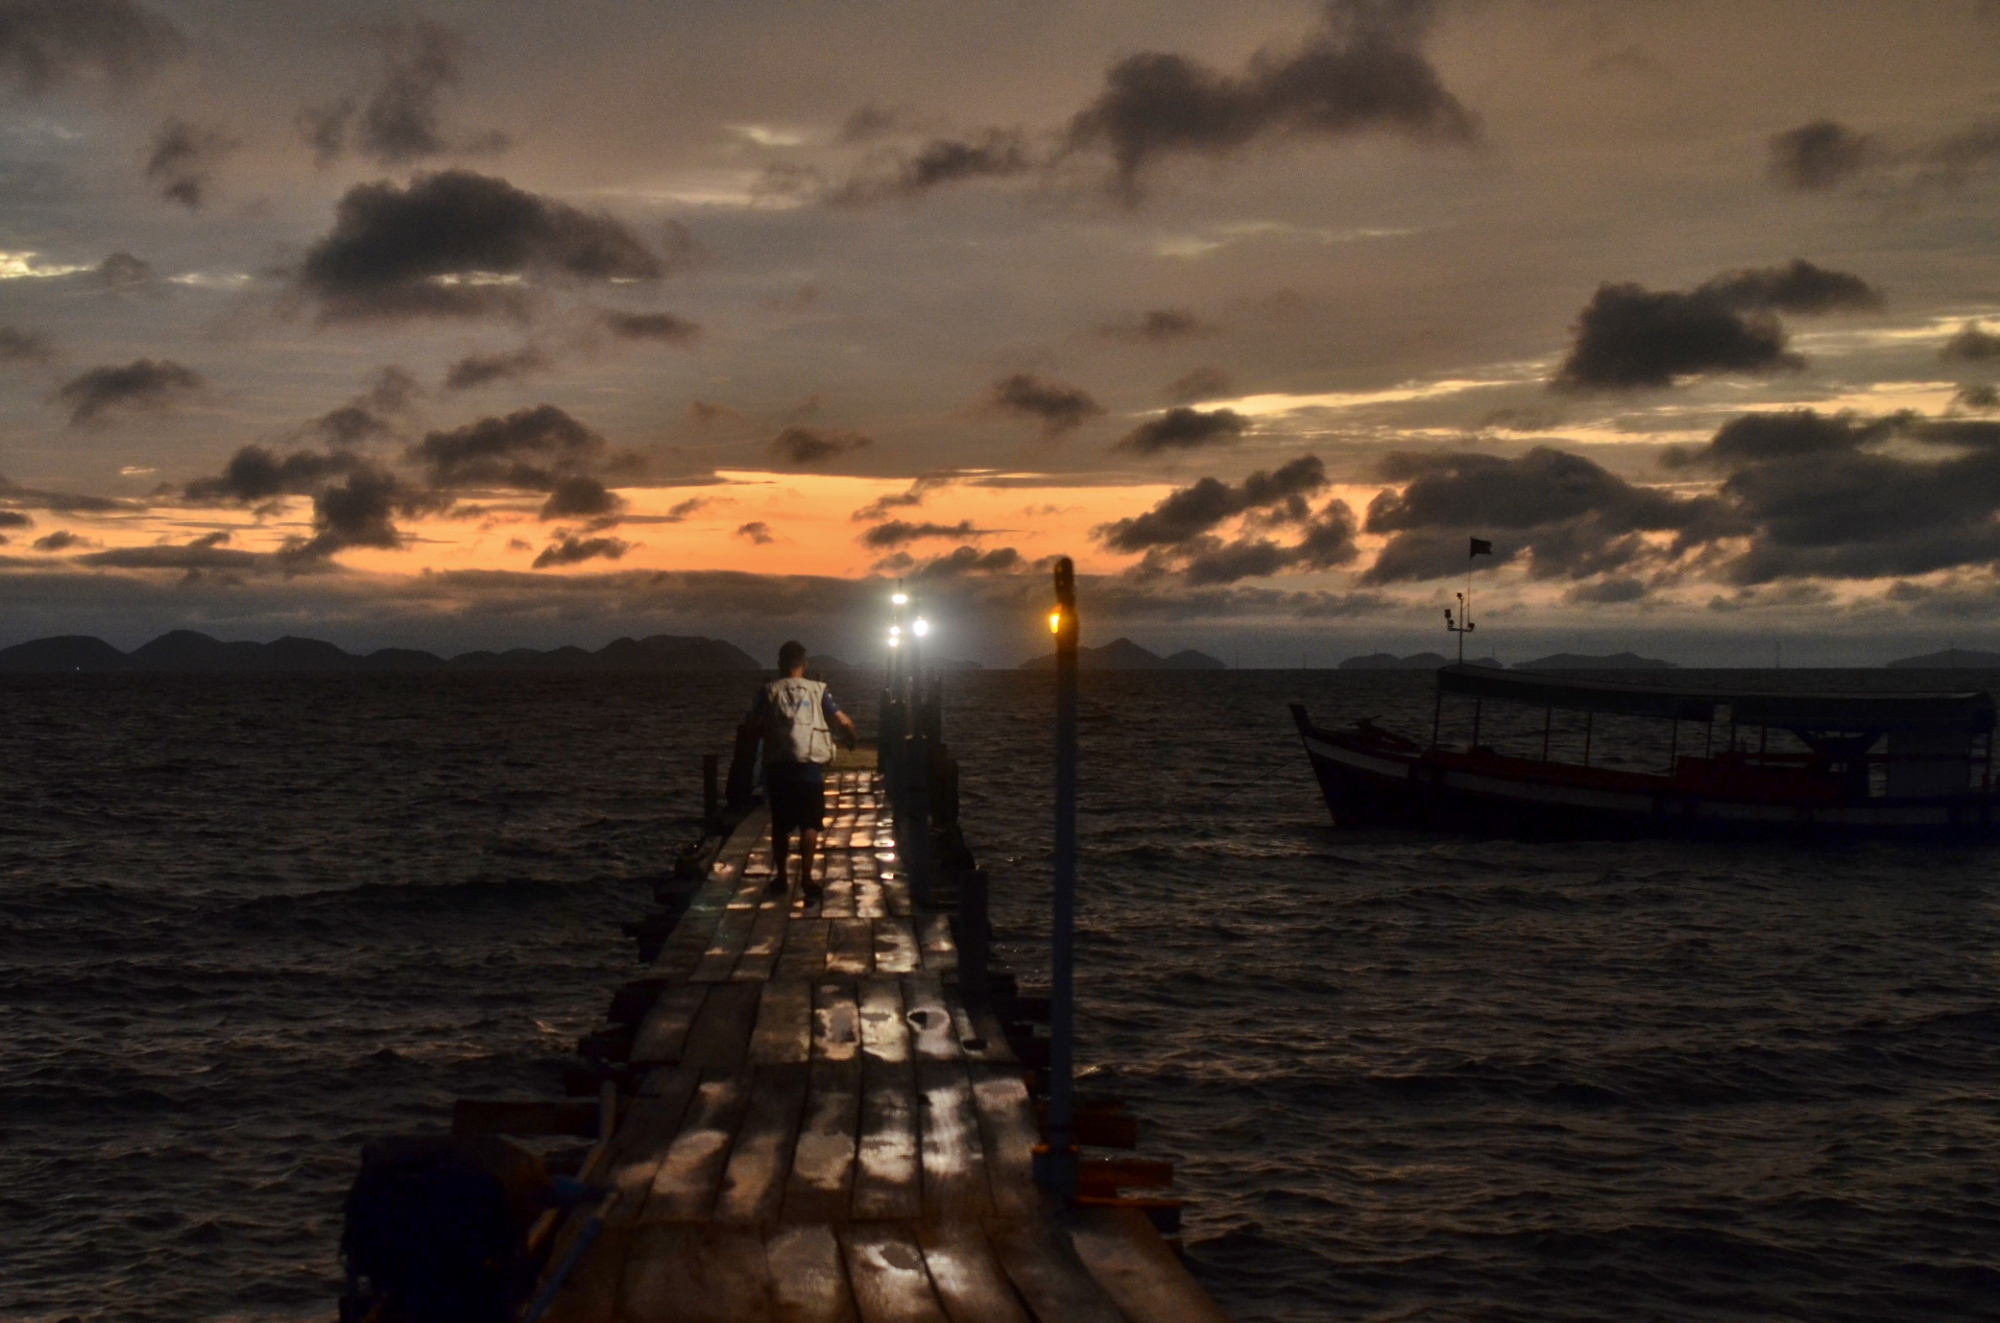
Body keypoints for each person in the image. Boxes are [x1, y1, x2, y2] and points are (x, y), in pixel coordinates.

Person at [746, 640, 857, 896]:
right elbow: (841, 720)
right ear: (805, 665)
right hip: (809, 769)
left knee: (780, 825)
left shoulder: (768, 691)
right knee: (810, 824)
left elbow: (754, 724)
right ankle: (807, 877)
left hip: (779, 767)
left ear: (779, 664)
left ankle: (782, 876)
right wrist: (851, 737)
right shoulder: (818, 690)